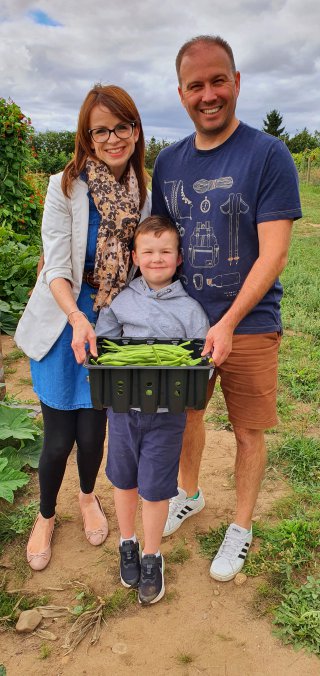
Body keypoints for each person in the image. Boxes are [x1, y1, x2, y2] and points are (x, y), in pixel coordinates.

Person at [151, 35, 302, 581]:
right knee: (187, 415)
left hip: (251, 322)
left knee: (248, 429)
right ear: (181, 93)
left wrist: (230, 322)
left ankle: (240, 526)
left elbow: (275, 251)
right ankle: (187, 494)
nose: (208, 94)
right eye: (197, 85)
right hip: (186, 322)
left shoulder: (268, 155)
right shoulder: (167, 163)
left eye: (219, 81)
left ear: (237, 83)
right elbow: (160, 246)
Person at [14, 84, 151, 571]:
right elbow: (54, 266)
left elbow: (147, 262)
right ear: (87, 137)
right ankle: (46, 515)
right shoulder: (65, 185)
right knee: (58, 437)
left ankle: (87, 496)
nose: (112, 138)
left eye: (121, 127)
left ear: (135, 130)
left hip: (112, 322)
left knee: (94, 433)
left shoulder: (143, 191)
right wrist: (76, 316)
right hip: (64, 317)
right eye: (101, 130)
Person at [95, 215, 210, 604]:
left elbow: (198, 358)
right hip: (124, 411)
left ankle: (151, 554)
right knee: (124, 479)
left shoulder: (191, 310)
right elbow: (105, 348)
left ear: (179, 259)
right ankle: (126, 542)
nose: (157, 258)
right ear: (135, 256)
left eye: (166, 252)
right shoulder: (122, 302)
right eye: (148, 251)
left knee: (157, 486)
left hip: (167, 414)